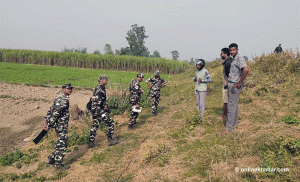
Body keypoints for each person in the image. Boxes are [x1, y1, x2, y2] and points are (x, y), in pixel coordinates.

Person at [219, 43, 249, 136]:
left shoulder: (239, 59)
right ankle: (235, 124)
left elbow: (246, 70)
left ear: (237, 50)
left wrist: (239, 83)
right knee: (234, 105)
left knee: (231, 107)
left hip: (234, 85)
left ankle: (228, 129)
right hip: (232, 84)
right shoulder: (233, 59)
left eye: (234, 50)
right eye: (231, 50)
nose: (232, 52)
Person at [44, 83, 73, 170]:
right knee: (63, 143)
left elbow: (51, 110)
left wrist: (47, 121)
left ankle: (52, 158)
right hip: (61, 125)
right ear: (63, 89)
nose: (70, 90)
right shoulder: (64, 100)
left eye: (71, 88)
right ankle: (58, 165)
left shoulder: (58, 97)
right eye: (68, 89)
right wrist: (48, 124)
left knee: (60, 142)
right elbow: (56, 113)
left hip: (58, 124)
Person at [88, 76, 119, 148]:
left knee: (95, 124)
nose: (106, 81)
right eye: (105, 80)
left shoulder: (102, 88)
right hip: (98, 109)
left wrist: (105, 105)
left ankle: (91, 142)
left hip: (95, 110)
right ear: (101, 80)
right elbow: (97, 101)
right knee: (110, 122)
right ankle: (110, 140)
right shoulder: (99, 89)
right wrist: (104, 108)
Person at [217, 48, 233, 120]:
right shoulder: (228, 61)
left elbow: (229, 75)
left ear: (225, 54)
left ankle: (223, 116)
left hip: (227, 85)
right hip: (228, 84)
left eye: (222, 53)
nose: (220, 55)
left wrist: (227, 84)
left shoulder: (228, 63)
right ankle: (226, 115)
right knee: (226, 101)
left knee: (225, 101)